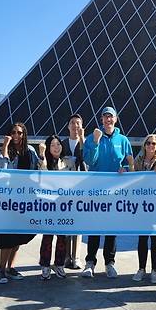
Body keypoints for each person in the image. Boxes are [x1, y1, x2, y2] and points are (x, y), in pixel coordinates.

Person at [82, 107, 134, 279]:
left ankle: (109, 263)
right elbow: (89, 161)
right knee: (94, 226)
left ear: (116, 119)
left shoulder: (123, 140)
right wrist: (96, 142)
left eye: (110, 117)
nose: (108, 120)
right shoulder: (92, 137)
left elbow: (129, 162)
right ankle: (90, 263)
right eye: (105, 117)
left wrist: (125, 168)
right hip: (96, 189)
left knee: (112, 227)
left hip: (116, 191)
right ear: (101, 119)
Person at [0, 122, 39, 284]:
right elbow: (2, 170)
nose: (17, 136)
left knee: (18, 236)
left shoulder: (30, 151)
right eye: (13, 132)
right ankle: (1, 270)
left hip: (24, 199)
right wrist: (5, 147)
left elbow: (37, 172)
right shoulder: (1, 151)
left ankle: (10, 267)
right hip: (7, 200)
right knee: (6, 236)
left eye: (20, 133)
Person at [37, 134, 76, 280]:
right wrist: (42, 155)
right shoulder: (43, 162)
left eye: (58, 144)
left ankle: (59, 265)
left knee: (62, 238)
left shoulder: (68, 162)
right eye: (52, 145)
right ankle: (45, 266)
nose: (56, 147)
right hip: (48, 206)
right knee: (47, 238)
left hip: (64, 206)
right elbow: (42, 177)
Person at [132, 134, 156, 284]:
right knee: (142, 238)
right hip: (142, 205)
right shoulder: (138, 160)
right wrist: (124, 171)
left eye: (153, 143)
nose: (150, 146)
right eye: (148, 143)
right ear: (144, 145)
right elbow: (132, 177)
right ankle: (141, 268)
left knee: (155, 239)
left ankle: (155, 270)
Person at [59, 113, 86, 269]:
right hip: (64, 190)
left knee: (78, 224)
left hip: (80, 189)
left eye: (78, 123)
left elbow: (88, 161)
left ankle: (76, 257)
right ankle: (65, 256)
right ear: (68, 126)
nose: (75, 126)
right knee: (65, 224)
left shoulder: (86, 143)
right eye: (72, 123)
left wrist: (83, 140)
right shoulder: (62, 143)